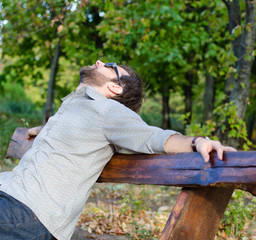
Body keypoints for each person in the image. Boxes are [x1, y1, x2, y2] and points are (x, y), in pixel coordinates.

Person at [0, 60, 236, 240]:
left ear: (115, 88)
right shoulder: (79, 104)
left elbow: (154, 136)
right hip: (10, 194)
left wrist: (198, 141)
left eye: (110, 66)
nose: (101, 62)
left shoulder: (109, 112)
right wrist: (44, 128)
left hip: (29, 212)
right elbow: (76, 127)